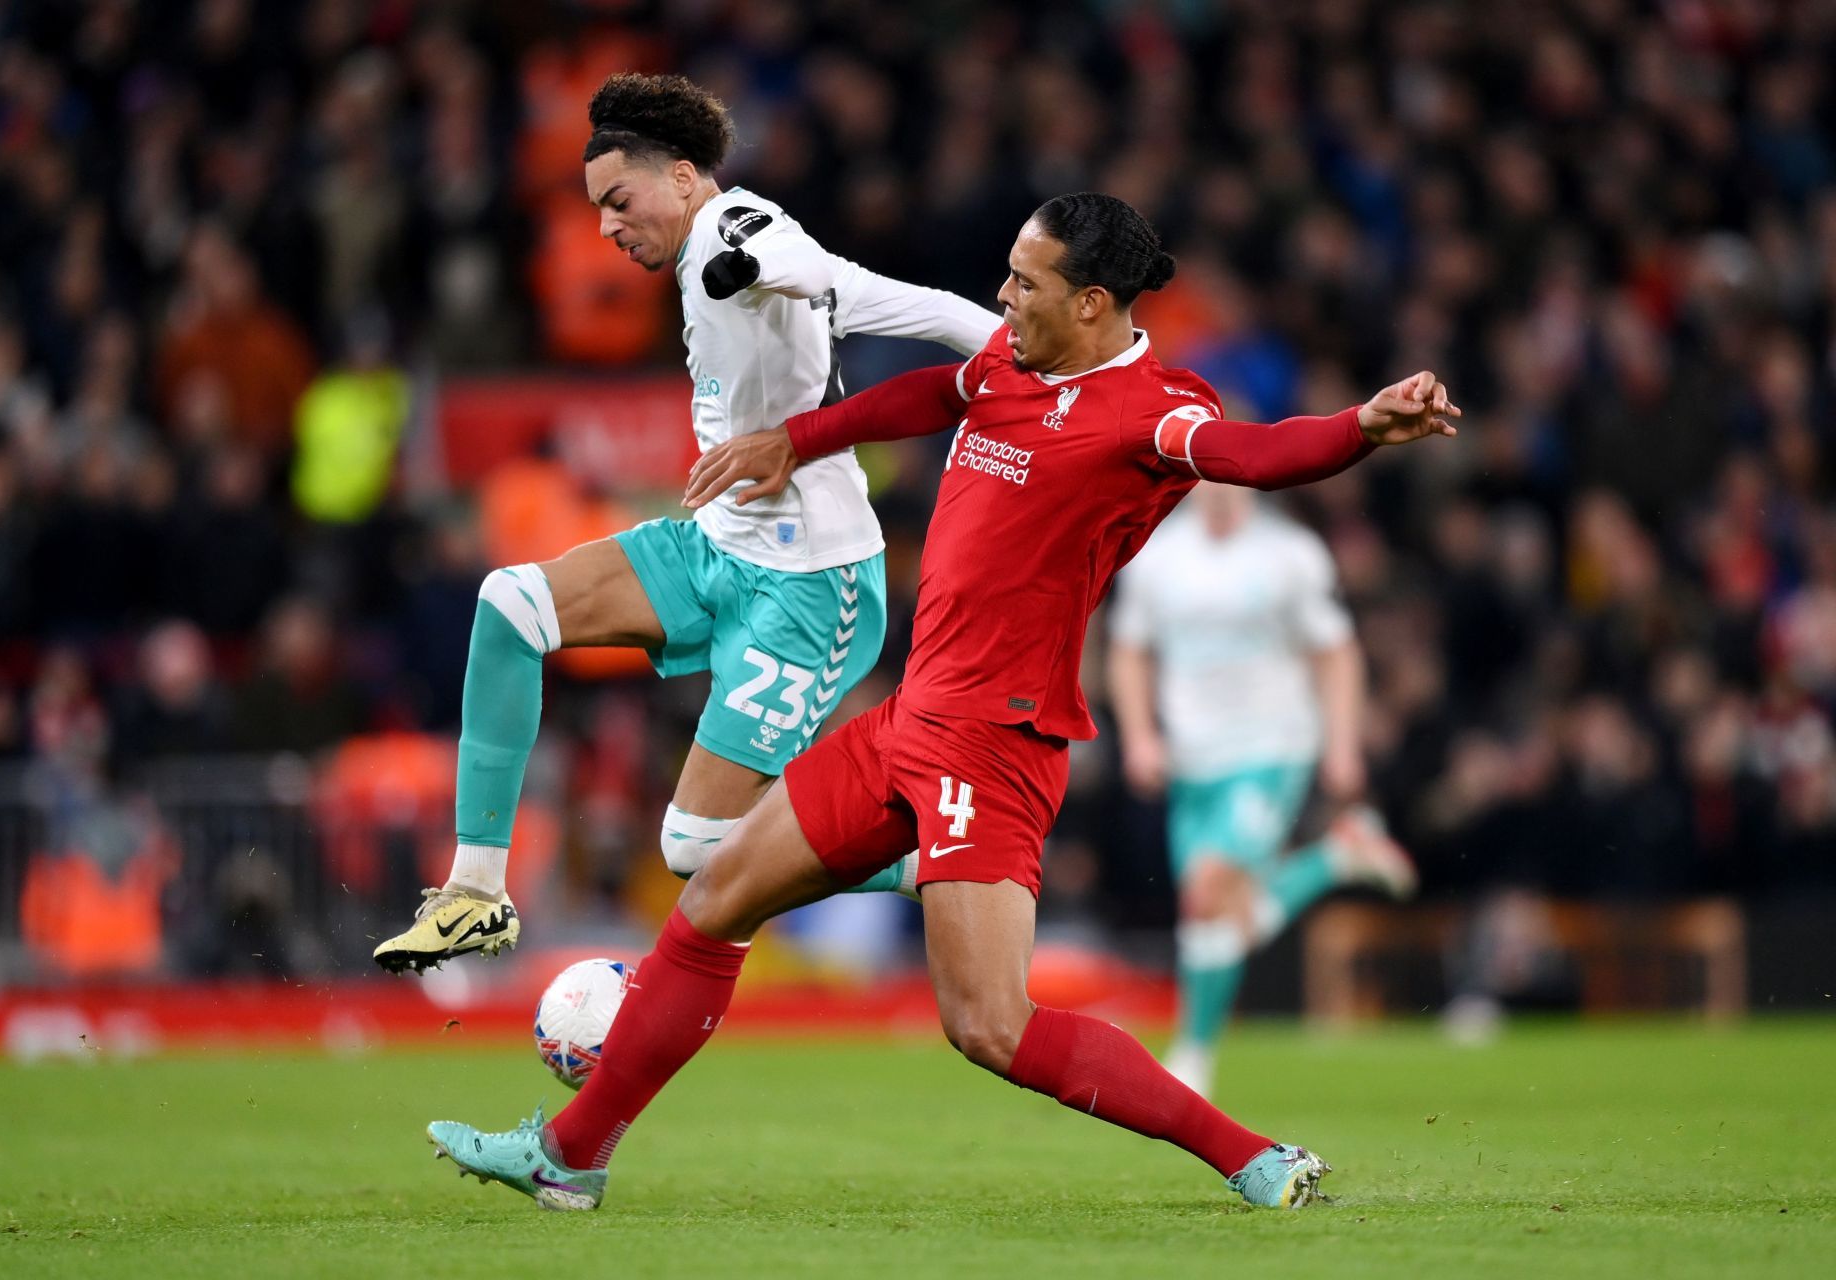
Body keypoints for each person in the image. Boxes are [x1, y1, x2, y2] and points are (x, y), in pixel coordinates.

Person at [422, 192, 1459, 1210]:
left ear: (1094, 302)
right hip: (910, 719)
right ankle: (570, 1156)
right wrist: (804, 437)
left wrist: (1361, 427)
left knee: (989, 1026)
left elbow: (1261, 454)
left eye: (1026, 280)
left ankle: (1252, 1154)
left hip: (995, 744)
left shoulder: (1156, 413)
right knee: (710, 897)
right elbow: (931, 395)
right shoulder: (1011, 363)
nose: (1002, 295)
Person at [373, 74, 997, 971]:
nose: (605, 227)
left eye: (617, 202)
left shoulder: (732, 229)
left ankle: (925, 856)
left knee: (697, 850)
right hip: (714, 550)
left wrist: (744, 265)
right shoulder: (710, 247)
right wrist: (1016, 349)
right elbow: (917, 304)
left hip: (809, 588)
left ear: (681, 178)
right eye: (595, 209)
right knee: (510, 604)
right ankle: (476, 893)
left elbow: (786, 259)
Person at [1106, 482, 1418, 1095]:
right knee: (1215, 921)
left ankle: (1191, 1061)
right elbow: (1128, 650)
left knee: (1208, 889)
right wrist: (1140, 736)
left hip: (1271, 747)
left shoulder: (1290, 555)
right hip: (1193, 760)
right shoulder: (1156, 555)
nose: (1220, 485)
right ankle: (1338, 855)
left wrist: (1342, 744)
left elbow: (1336, 653)